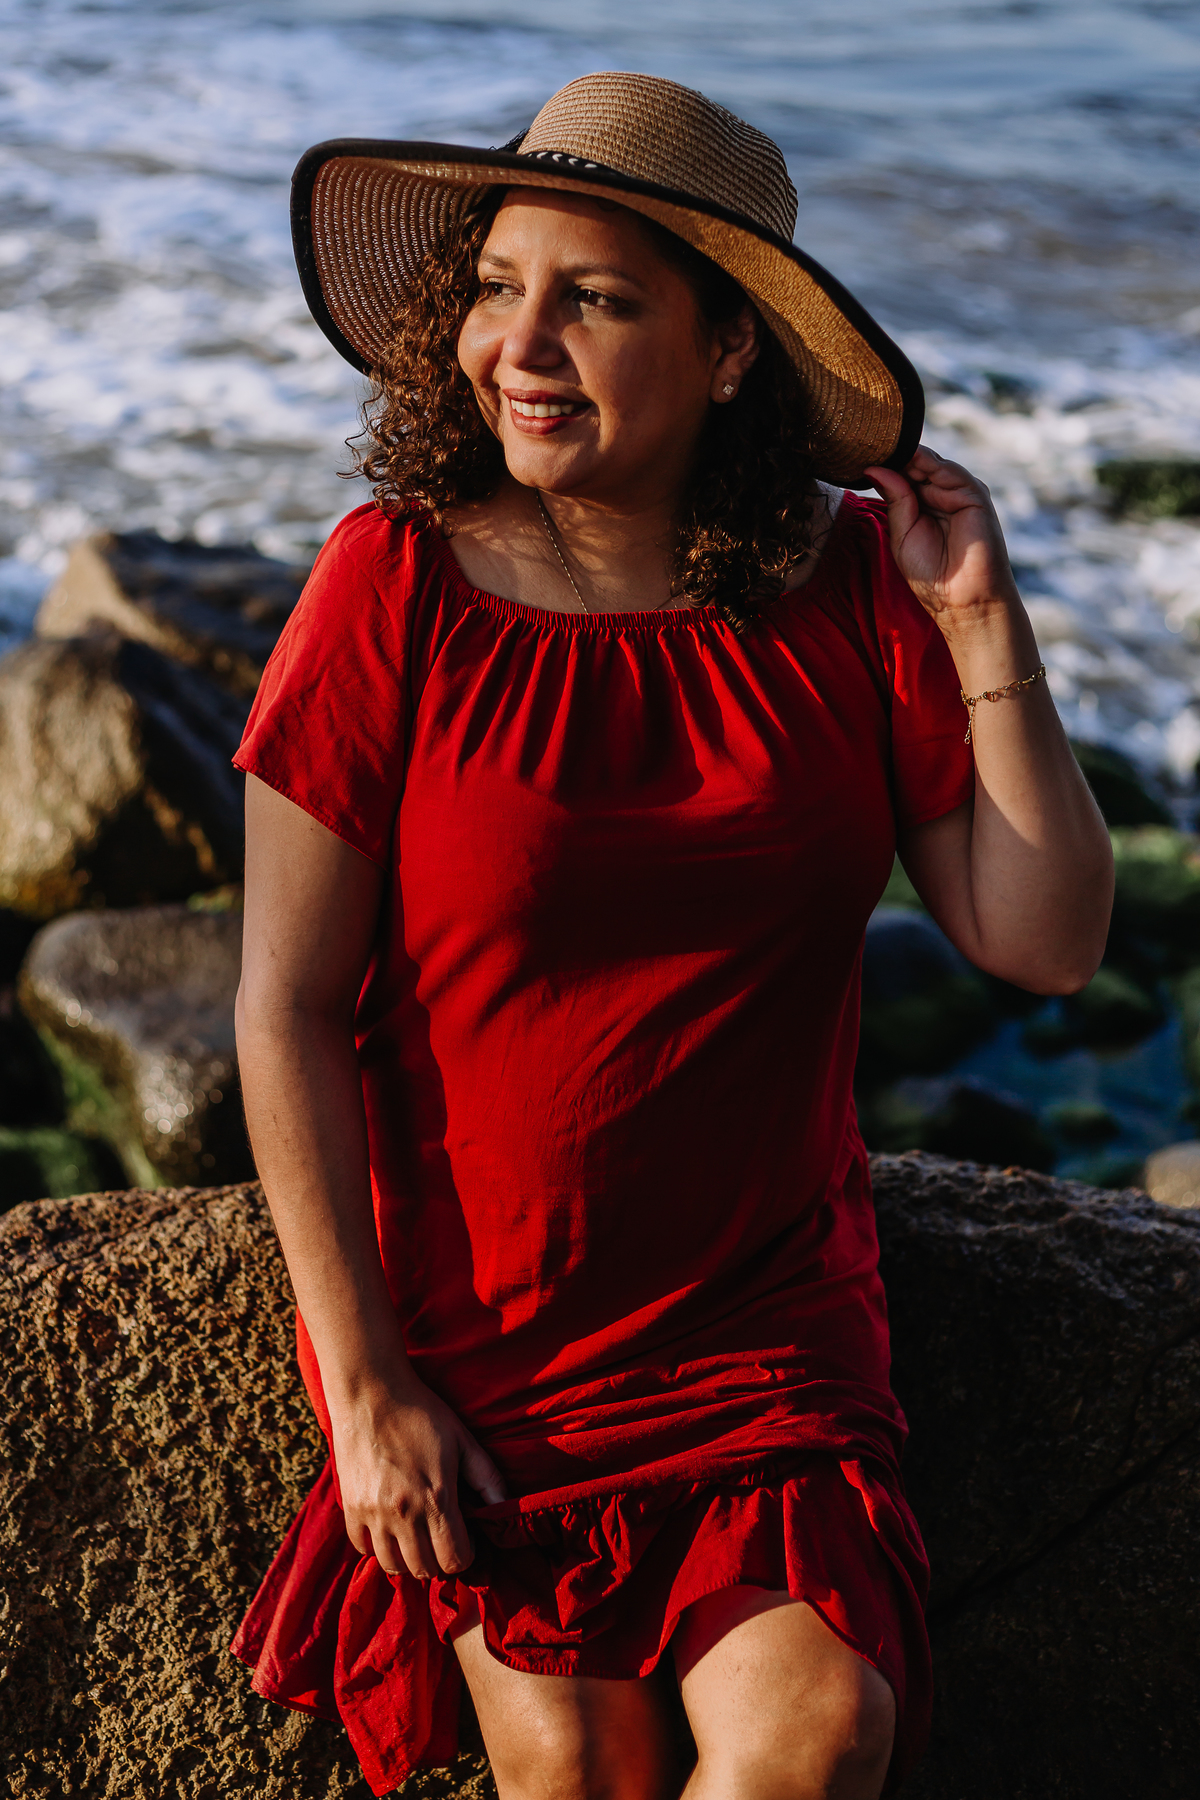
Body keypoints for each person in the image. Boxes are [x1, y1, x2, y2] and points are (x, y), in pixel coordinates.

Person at [230, 72, 1113, 1800]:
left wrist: (983, 621)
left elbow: (1043, 940)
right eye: (498, 287)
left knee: (817, 1734)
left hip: (761, 1322)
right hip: (482, 1335)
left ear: (728, 353)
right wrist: (370, 1390)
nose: (521, 344)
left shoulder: (852, 590)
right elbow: (283, 1007)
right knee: (578, 1770)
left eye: (597, 300)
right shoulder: (390, 583)